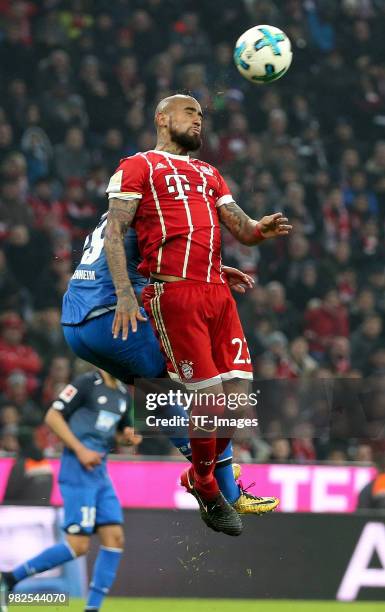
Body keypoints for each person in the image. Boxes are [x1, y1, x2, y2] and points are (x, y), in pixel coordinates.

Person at [102, 93, 291, 535]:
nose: (199, 121)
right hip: (175, 295)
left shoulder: (210, 174)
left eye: (202, 116)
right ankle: (206, 485)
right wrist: (126, 293)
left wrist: (261, 229)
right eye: (191, 113)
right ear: (163, 119)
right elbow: (115, 233)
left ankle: (198, 474)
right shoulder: (138, 165)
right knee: (209, 400)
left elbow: (243, 230)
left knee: (239, 400)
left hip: (217, 295)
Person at [0, 368, 141, 612]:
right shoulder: (87, 382)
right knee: (78, 546)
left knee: (115, 537)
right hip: (77, 468)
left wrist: (126, 438)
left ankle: (92, 608)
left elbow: (117, 433)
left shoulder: (122, 393)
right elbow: (53, 416)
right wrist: (80, 450)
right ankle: (9, 579)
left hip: (100, 472)